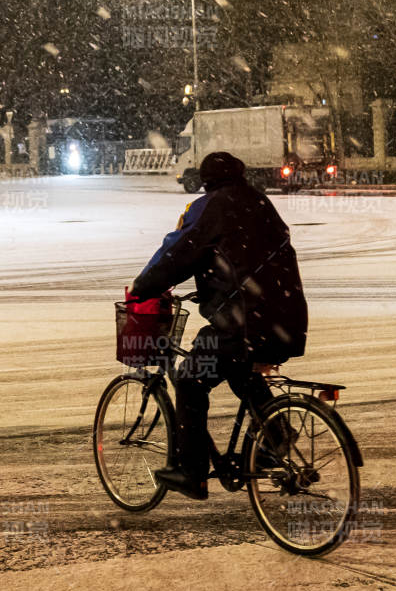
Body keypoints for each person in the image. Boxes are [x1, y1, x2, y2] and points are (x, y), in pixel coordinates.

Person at [128, 151, 308, 500]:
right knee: (241, 370)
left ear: (206, 180)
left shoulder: (212, 206)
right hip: (287, 317)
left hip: (243, 321)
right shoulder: (260, 202)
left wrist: (143, 287)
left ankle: (190, 472)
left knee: (190, 379)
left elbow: (178, 253)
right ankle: (277, 435)